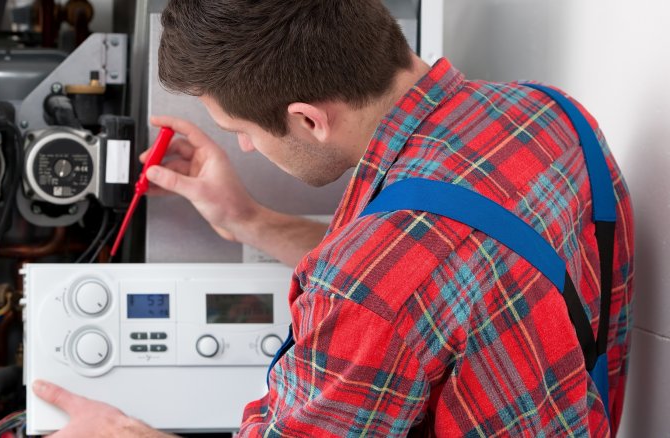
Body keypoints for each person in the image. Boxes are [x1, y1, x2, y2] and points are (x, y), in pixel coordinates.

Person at [32, 0, 635, 436]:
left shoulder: (369, 286)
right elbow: (436, 279)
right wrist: (246, 219)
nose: (244, 147)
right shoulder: (549, 114)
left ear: (308, 120)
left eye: (241, 132)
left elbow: (394, 285)